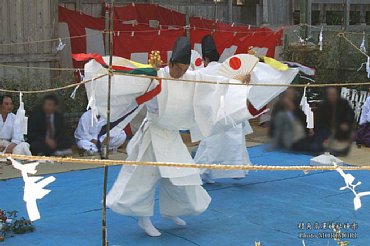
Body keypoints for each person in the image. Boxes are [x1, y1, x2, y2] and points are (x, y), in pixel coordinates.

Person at [194, 35, 252, 183]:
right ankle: (238, 169)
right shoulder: (228, 71)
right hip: (232, 112)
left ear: (205, 59)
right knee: (236, 142)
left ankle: (201, 172)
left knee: (210, 145)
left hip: (214, 114)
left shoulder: (201, 73)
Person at [315, 87, 355, 155]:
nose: (332, 96)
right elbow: (319, 121)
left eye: (334, 94)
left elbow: (350, 114)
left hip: (340, 129)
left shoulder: (343, 103)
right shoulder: (323, 105)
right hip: (326, 129)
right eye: (330, 94)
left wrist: (346, 123)